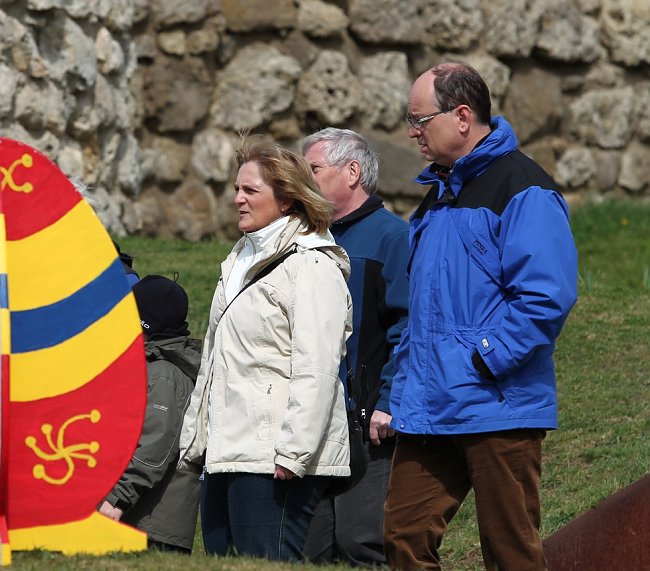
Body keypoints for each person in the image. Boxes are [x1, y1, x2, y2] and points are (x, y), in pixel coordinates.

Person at [384, 62, 578, 570]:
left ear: (463, 116)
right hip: (432, 406)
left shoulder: (524, 187)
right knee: (403, 535)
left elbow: (545, 297)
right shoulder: (436, 198)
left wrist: (483, 361)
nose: (412, 132)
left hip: (498, 404)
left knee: (510, 551)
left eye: (420, 120)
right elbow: (425, 311)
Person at [178, 136, 353, 562]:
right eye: (237, 189)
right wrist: (195, 440)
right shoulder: (238, 262)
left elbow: (317, 367)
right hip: (228, 453)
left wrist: (294, 453)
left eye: (250, 190)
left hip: (276, 458)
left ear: (289, 199)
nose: (238, 199)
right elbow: (216, 366)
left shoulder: (312, 264)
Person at [301, 128, 409, 566]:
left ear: (352, 171)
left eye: (313, 169)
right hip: (313, 422)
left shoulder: (392, 238)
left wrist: (388, 402)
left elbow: (408, 327)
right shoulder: (306, 241)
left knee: (359, 541)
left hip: (368, 425)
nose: (303, 180)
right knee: (309, 550)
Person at [98, 275, 202, 553]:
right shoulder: (151, 366)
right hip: (140, 518)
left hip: (154, 528)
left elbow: (154, 450)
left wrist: (117, 499)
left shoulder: (165, 376)